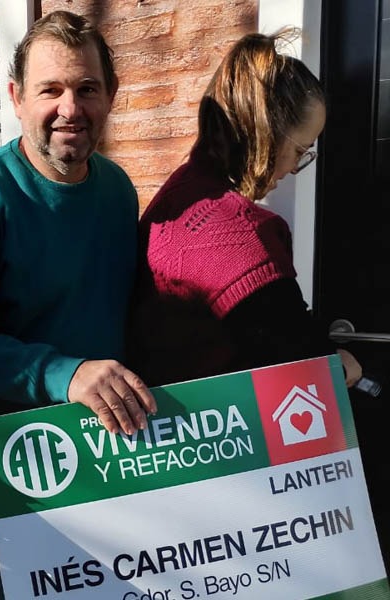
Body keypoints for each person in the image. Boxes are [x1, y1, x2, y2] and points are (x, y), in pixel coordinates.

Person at [0, 10, 157, 599]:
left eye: (87, 88)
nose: (70, 107)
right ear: (17, 97)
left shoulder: (118, 191)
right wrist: (65, 374)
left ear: (111, 95)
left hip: (101, 468)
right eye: (51, 90)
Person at [130, 29, 362, 388]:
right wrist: (343, 366)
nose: (293, 169)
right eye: (299, 151)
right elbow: (307, 365)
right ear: (267, 134)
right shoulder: (239, 239)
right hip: (213, 418)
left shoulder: (181, 190)